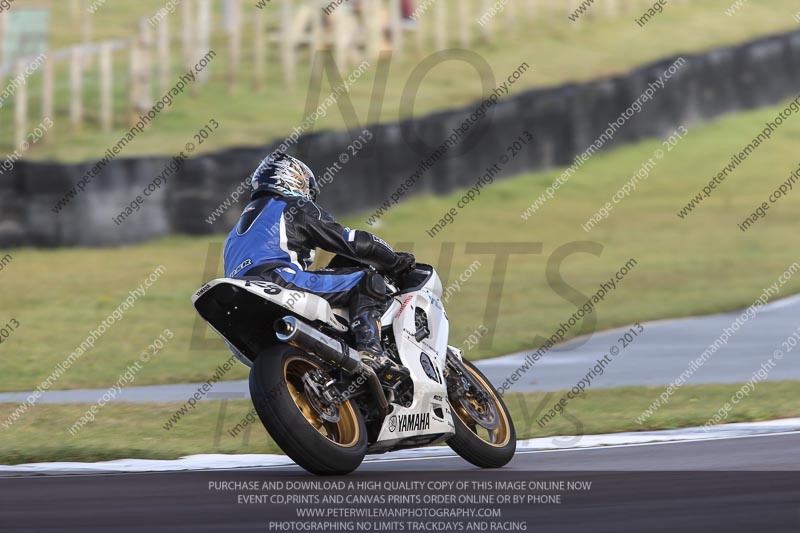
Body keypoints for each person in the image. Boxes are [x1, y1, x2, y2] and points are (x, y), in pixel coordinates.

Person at [223, 153, 415, 382]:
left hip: (240, 301)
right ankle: (371, 351)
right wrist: (396, 261)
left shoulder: (234, 233)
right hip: (278, 280)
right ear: (292, 179)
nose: (309, 196)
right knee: (366, 280)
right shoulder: (293, 205)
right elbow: (352, 242)